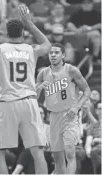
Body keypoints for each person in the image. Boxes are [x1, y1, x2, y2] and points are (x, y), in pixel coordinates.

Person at [0, 4, 51, 174]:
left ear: (6, 34)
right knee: (37, 151)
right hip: (30, 103)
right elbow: (47, 45)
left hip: (7, 103)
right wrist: (30, 23)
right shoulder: (31, 50)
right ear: (23, 33)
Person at [36, 43, 91, 174]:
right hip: (53, 116)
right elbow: (34, 96)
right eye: (51, 53)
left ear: (63, 55)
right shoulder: (43, 73)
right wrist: (39, 88)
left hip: (69, 115)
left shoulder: (71, 70)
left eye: (56, 53)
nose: (53, 55)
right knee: (57, 157)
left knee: (70, 153)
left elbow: (87, 90)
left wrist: (77, 107)